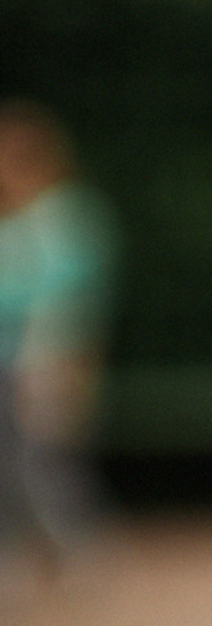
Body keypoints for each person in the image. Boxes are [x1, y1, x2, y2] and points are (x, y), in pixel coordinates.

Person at [0, 104, 115, 570]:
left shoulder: (66, 219)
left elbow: (70, 308)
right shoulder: (20, 224)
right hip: (14, 362)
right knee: (19, 464)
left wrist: (67, 369)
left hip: (40, 362)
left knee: (41, 463)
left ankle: (84, 550)